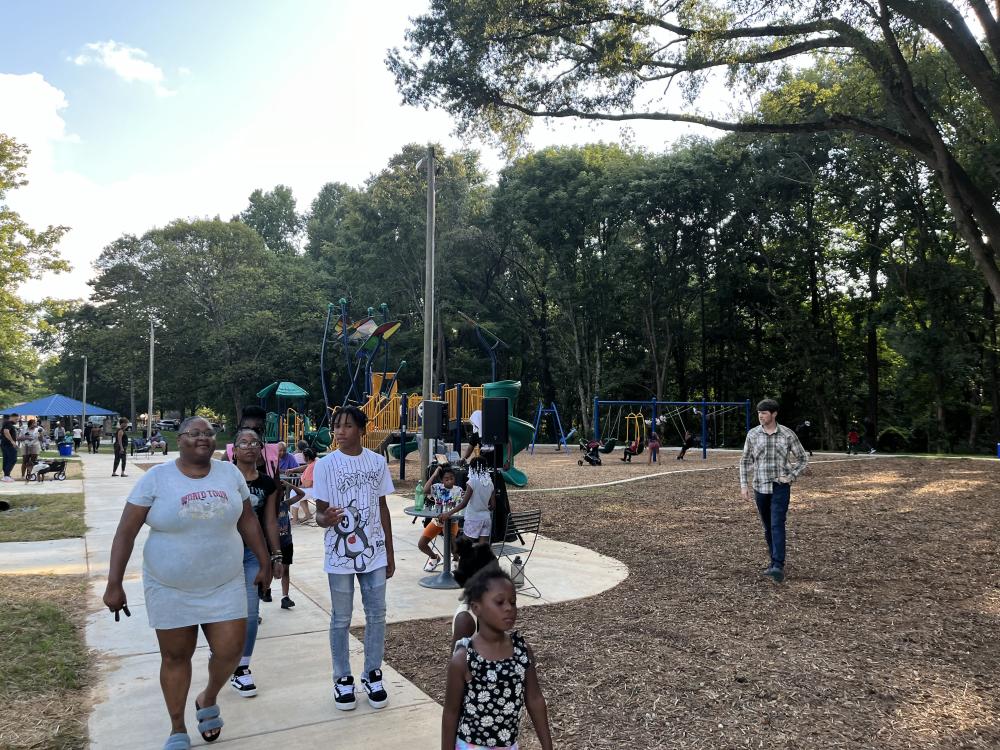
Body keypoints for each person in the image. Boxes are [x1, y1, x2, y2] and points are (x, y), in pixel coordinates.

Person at [102, 416, 272, 748]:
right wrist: (114, 583)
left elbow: (247, 518)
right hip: (169, 587)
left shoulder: (230, 473)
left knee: (230, 651)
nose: (203, 438)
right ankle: (177, 727)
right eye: (194, 433)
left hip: (224, 583)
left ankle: (207, 698)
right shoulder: (157, 479)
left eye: (209, 433)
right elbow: (126, 532)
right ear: (179, 439)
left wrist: (265, 561)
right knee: (176, 657)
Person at [312, 406, 394, 712]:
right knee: (342, 617)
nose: (339, 431)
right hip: (339, 555)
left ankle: (373, 673)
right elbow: (320, 513)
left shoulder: (376, 462)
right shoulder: (325, 465)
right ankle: (342, 678)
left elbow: (382, 506)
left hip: (374, 553)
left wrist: (389, 550)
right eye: (336, 426)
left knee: (376, 614)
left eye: (346, 426)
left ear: (361, 429)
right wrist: (326, 518)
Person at [442, 565, 553, 750]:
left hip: (508, 745)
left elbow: (534, 699)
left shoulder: (521, 651)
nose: (509, 608)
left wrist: (547, 746)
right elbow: (451, 712)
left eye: (513, 602)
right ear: (476, 608)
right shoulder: (464, 659)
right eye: (500, 602)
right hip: (470, 746)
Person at [228, 428, 284, 699]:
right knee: (225, 613)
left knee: (251, 612)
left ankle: (241, 668)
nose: (249, 447)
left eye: (255, 443)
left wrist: (275, 556)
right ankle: (223, 658)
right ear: (234, 449)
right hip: (222, 553)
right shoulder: (223, 478)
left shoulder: (268, 484)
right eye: (243, 442)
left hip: (253, 553)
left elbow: (270, 521)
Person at [739, 399, 809, 584]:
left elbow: (802, 458)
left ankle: (778, 565)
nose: (760, 416)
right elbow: (745, 461)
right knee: (768, 526)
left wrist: (791, 476)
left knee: (777, 523)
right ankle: (773, 561)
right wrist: (743, 485)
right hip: (760, 486)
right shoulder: (752, 435)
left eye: (764, 413)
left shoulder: (787, 434)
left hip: (780, 486)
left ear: (774, 414)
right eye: (759, 413)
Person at [442, 457, 495, 546]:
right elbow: (493, 505)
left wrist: (448, 513)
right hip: (486, 518)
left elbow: (464, 503)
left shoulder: (472, 482)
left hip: (473, 518)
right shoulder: (490, 483)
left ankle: (461, 558)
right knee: (482, 549)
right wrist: (482, 506)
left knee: (465, 547)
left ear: (472, 468)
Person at [420, 465, 462, 572]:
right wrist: (434, 475)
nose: (449, 481)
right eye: (446, 479)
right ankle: (434, 558)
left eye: (451, 478)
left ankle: (456, 559)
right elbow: (425, 490)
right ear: (442, 480)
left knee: (451, 543)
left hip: (452, 521)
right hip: (437, 521)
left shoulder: (458, 490)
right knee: (422, 544)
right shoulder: (437, 487)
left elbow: (461, 505)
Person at [1, 412, 18, 482]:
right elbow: (6, 432)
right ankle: (7, 475)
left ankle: (6, 476)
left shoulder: (5, 423)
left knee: (6, 459)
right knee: (13, 459)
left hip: (4, 444)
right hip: (8, 445)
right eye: (16, 419)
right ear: (12, 417)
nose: (17, 421)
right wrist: (12, 441)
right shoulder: (8, 423)